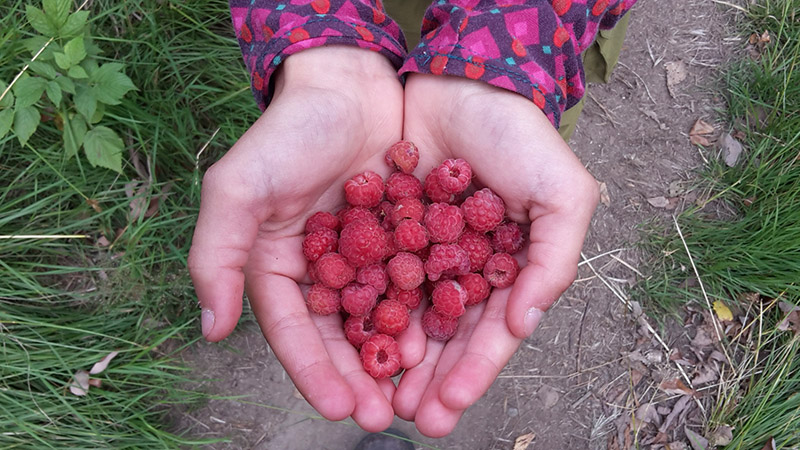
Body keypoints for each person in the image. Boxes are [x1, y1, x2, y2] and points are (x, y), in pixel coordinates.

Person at [188, 0, 636, 439]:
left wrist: (498, 70)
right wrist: (325, 60)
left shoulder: (437, 241)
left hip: (539, 40)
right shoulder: (381, 241)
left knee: (538, 129)